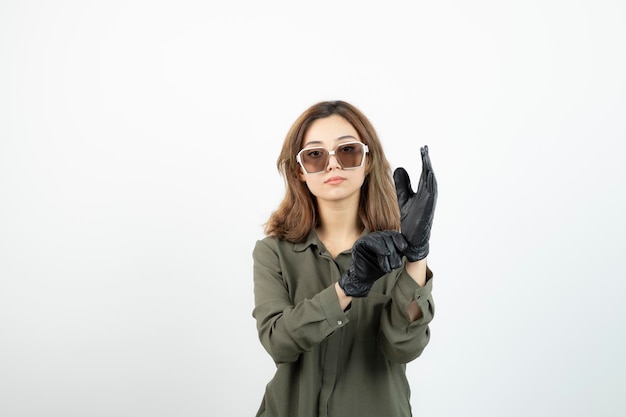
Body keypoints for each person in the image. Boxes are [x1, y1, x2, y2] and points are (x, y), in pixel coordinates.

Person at [252, 100, 437, 417]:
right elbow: (278, 343)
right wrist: (348, 288)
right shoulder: (273, 252)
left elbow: (403, 347)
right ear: (300, 170)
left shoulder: (392, 252)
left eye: (347, 151)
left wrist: (415, 255)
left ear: (367, 161)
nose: (332, 165)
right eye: (315, 155)